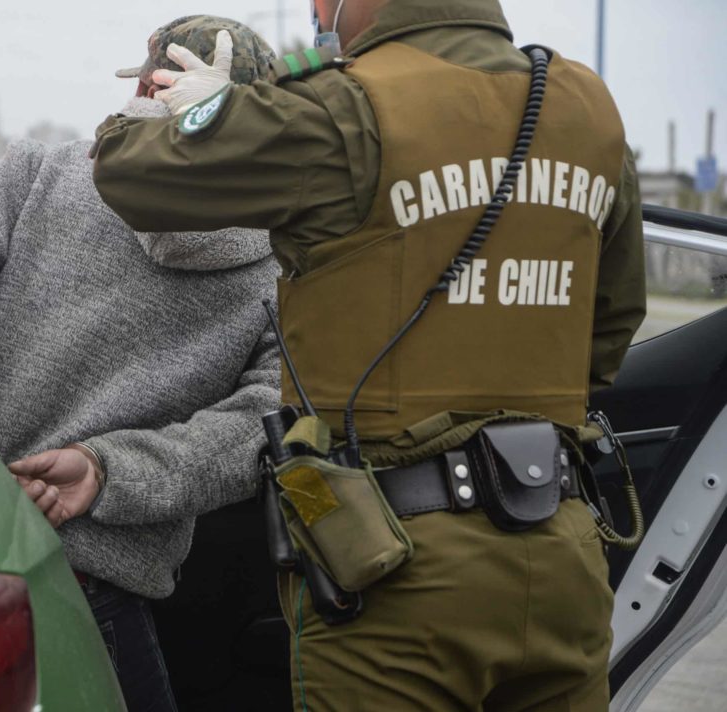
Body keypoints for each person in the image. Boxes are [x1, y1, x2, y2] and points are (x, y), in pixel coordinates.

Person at [90, 1, 646, 710]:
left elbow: (129, 171)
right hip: (564, 550)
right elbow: (610, 327)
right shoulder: (585, 108)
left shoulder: (342, 103)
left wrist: (181, 109)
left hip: (391, 564)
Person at [0, 16, 280, 712]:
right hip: (96, 588)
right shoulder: (280, 266)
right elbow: (267, 427)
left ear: (147, 85)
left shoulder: (36, 171)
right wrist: (109, 470)